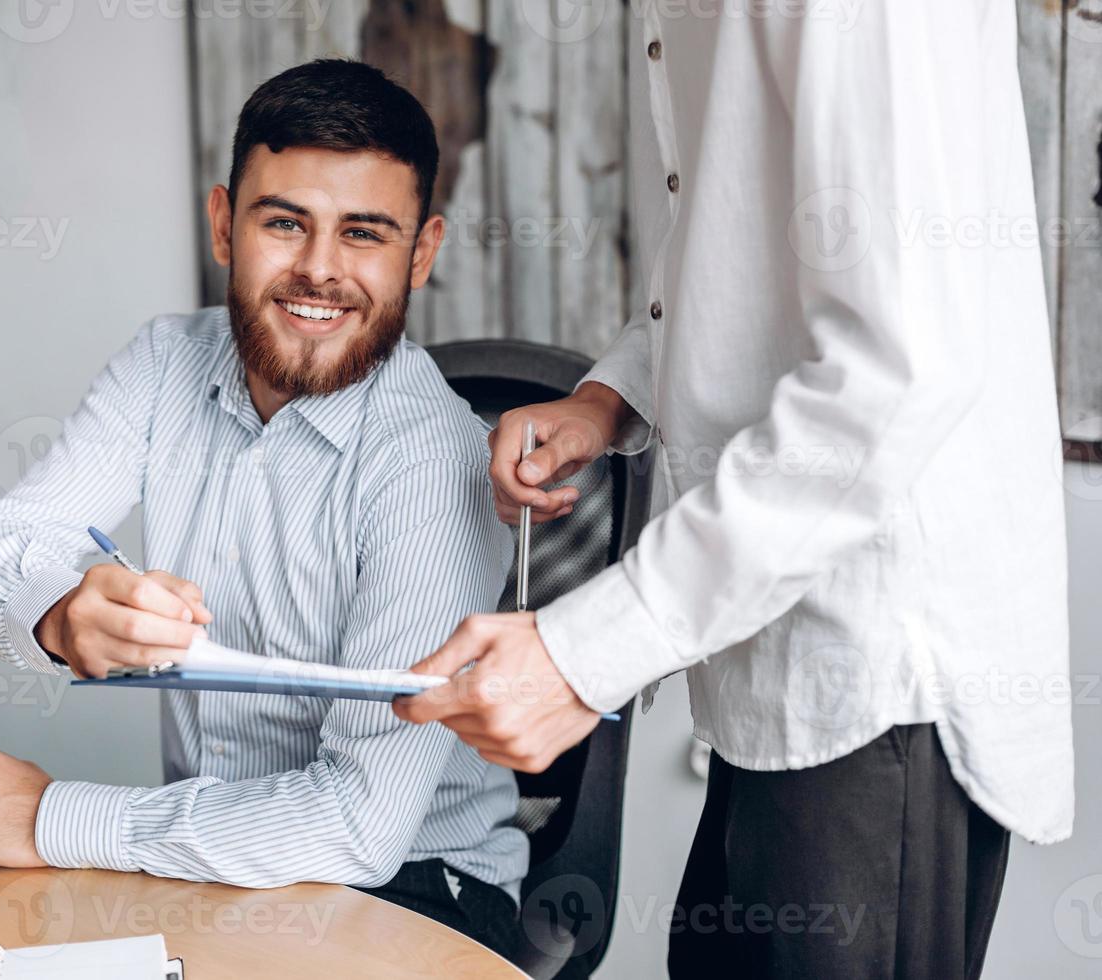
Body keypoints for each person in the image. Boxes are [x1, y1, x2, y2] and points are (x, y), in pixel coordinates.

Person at [393, 3, 1073, 977]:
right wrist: (606, 398)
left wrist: (584, 654)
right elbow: (741, 262)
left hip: (873, 671)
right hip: (774, 654)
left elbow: (899, 367)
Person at [0, 59, 528, 957]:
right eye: (285, 223)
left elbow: (357, 826)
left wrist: (54, 818)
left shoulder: (436, 462)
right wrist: (59, 614)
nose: (320, 272)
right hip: (210, 860)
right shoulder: (164, 363)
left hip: (419, 890)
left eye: (364, 234)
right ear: (223, 224)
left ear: (423, 251)